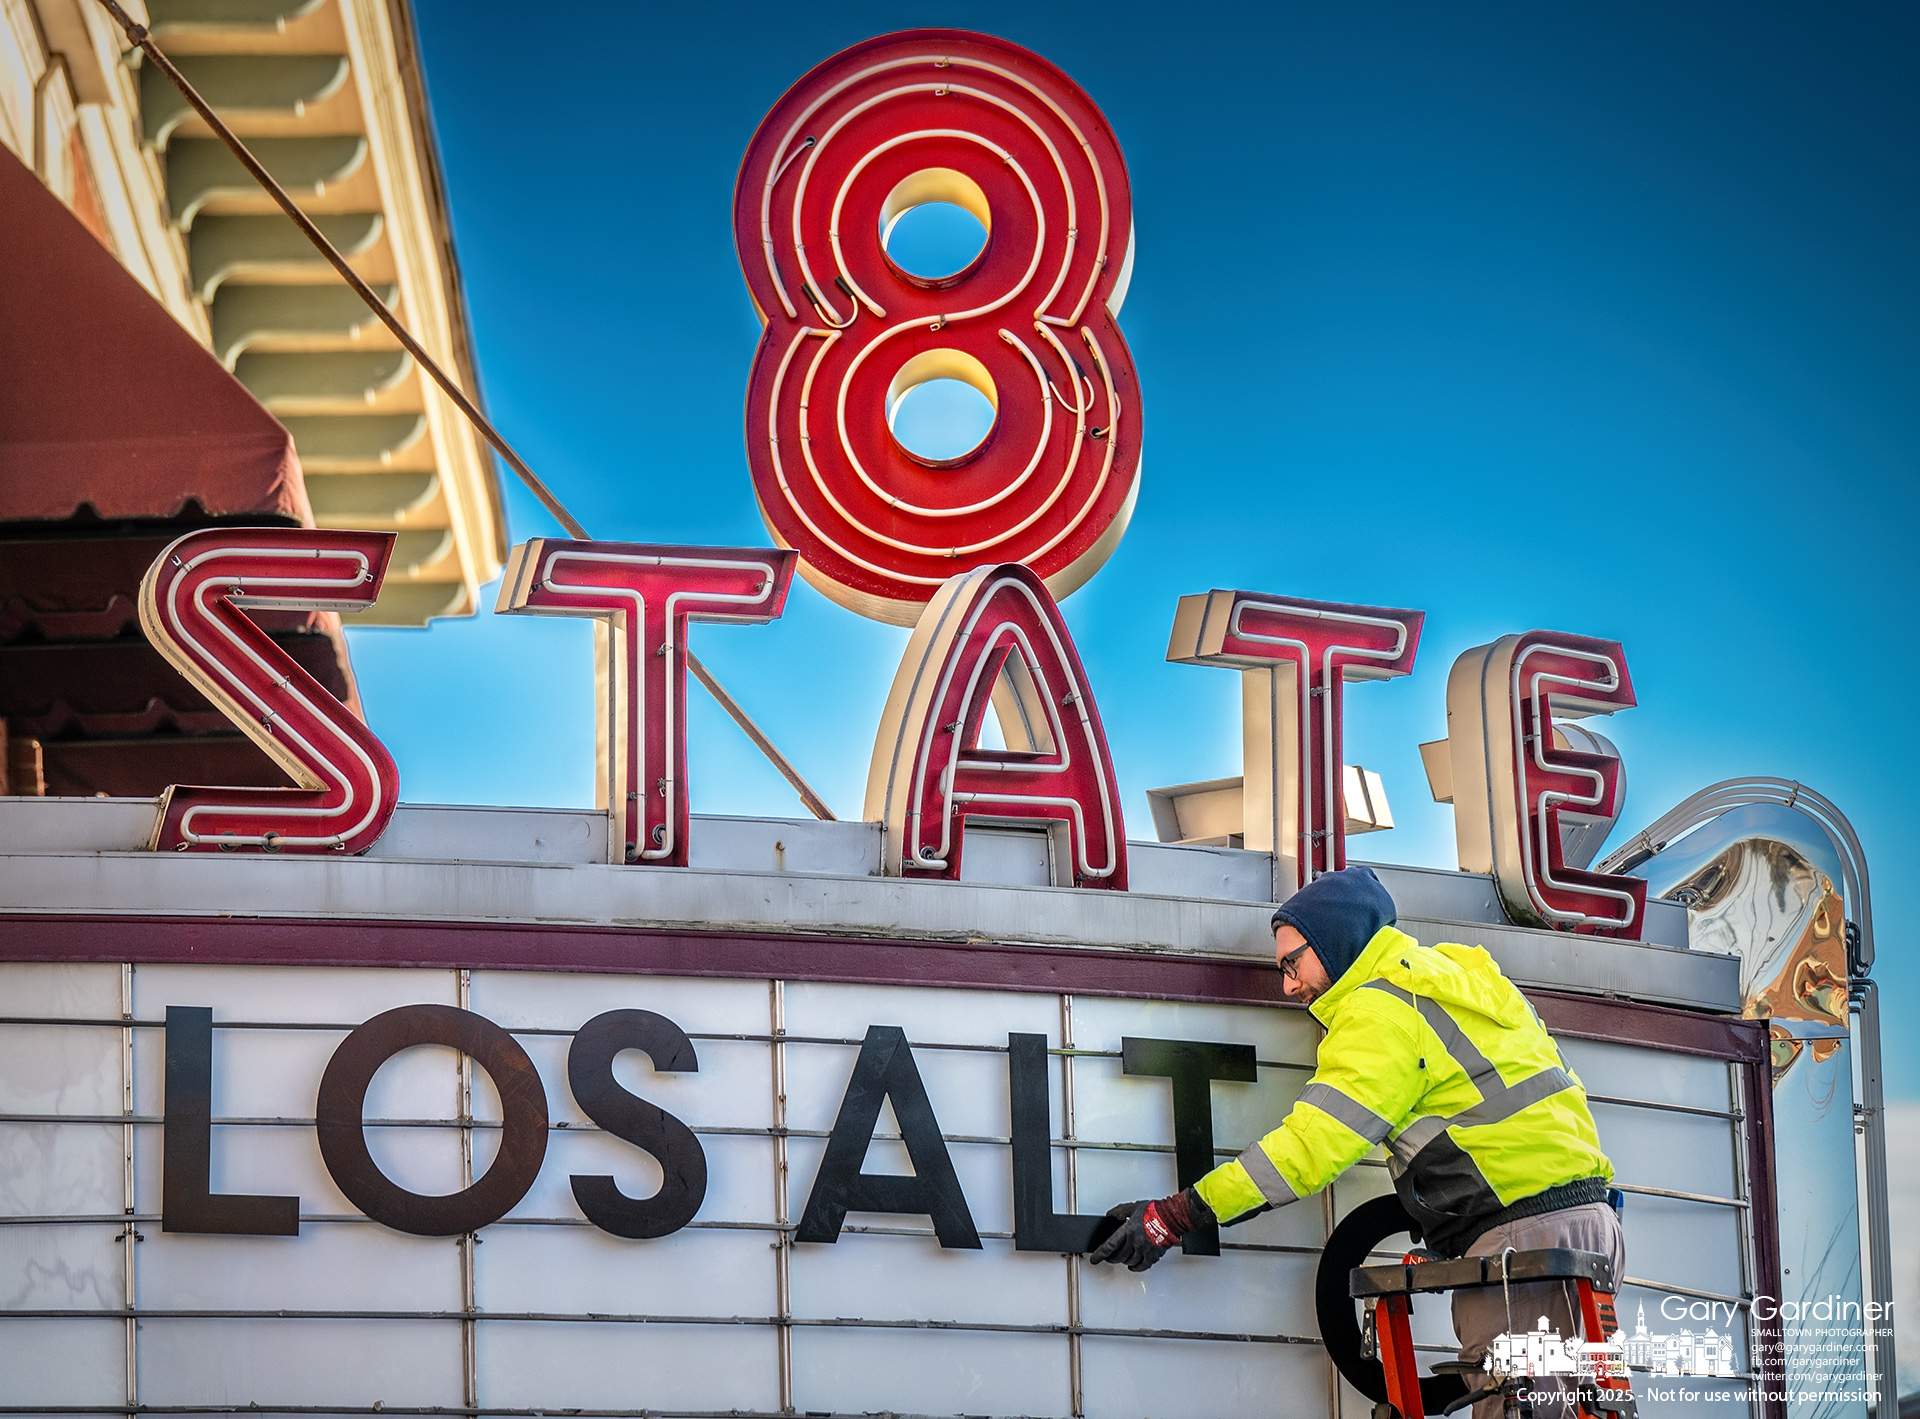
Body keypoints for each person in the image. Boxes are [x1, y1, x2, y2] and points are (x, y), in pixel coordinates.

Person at [1090, 865, 1624, 1419]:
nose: (1288, 986)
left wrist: (1173, 1216)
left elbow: (1309, 1149)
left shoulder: (1380, 1009)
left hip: (1520, 1240)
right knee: (1580, 1407)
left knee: (1521, 1411)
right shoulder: (1456, 976)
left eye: (1292, 963)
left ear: (1336, 940)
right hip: (1587, 1225)